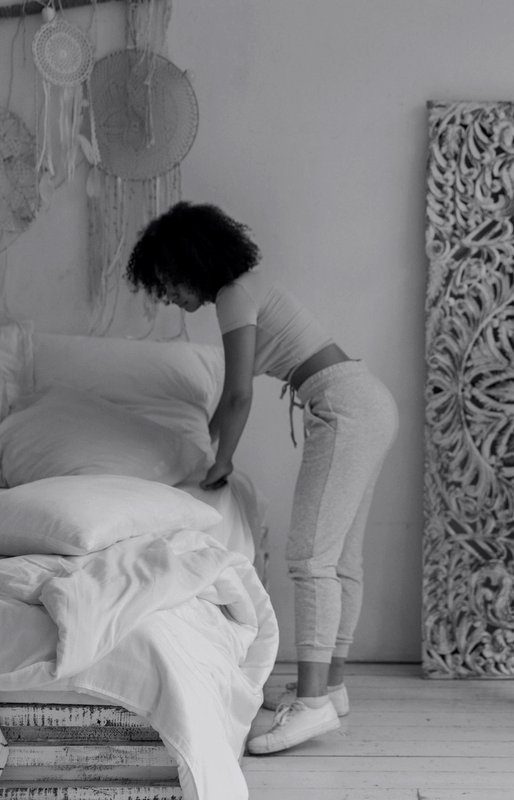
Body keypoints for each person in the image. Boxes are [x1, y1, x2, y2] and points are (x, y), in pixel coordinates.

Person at [126, 201, 399, 755]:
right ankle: (332, 687)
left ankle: (314, 705)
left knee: (311, 557)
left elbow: (238, 394)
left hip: (344, 407)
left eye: (168, 281)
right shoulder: (245, 290)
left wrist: (222, 461)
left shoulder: (233, 297)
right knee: (340, 559)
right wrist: (203, 444)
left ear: (191, 262)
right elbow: (229, 400)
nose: (169, 296)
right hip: (364, 400)